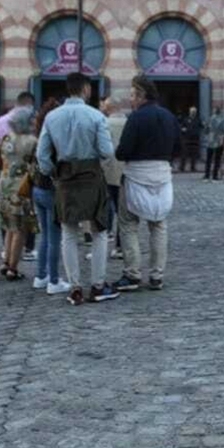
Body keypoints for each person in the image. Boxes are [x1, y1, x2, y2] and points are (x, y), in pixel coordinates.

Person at [37, 73, 117, 305]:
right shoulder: (96, 116)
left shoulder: (52, 117)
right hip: (91, 177)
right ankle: (98, 286)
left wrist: (53, 173)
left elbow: (42, 155)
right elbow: (107, 151)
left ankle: (75, 288)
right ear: (86, 89)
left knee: (68, 233)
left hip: (65, 178)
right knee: (99, 231)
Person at [116, 75, 179, 292]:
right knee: (159, 224)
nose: (130, 99)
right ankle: (157, 276)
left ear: (142, 95)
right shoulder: (169, 116)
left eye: (133, 95)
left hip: (135, 175)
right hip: (162, 175)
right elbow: (178, 148)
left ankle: (132, 274)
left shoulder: (135, 118)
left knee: (128, 225)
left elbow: (123, 151)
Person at [0, 107, 38, 282]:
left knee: (9, 226)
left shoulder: (6, 138)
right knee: (20, 228)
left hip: (4, 183)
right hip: (22, 186)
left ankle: (6, 262)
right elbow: (36, 166)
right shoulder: (32, 141)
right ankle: (13, 268)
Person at [30, 98, 66, 294]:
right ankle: (53, 280)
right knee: (54, 238)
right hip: (51, 190)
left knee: (45, 236)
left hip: (37, 189)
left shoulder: (38, 136)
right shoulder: (54, 138)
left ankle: (40, 276)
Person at [100, 98, 128, 259]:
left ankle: (100, 247)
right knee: (122, 212)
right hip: (124, 171)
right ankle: (120, 246)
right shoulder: (129, 123)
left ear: (109, 107)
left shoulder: (103, 123)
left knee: (103, 210)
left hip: (106, 172)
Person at [201, 104, 224, 181]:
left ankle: (207, 176)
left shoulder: (210, 118)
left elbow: (205, 130)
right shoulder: (223, 119)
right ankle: (215, 177)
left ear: (214, 111)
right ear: (221, 111)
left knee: (208, 159)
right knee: (217, 160)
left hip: (210, 141)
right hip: (219, 142)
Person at [178, 106, 203, 174]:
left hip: (195, 139)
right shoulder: (186, 119)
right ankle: (182, 167)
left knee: (194, 154)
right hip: (187, 139)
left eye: (194, 111)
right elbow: (181, 126)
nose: (193, 112)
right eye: (192, 111)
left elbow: (202, 127)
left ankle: (193, 167)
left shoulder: (198, 119)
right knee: (184, 153)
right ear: (190, 112)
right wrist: (183, 129)